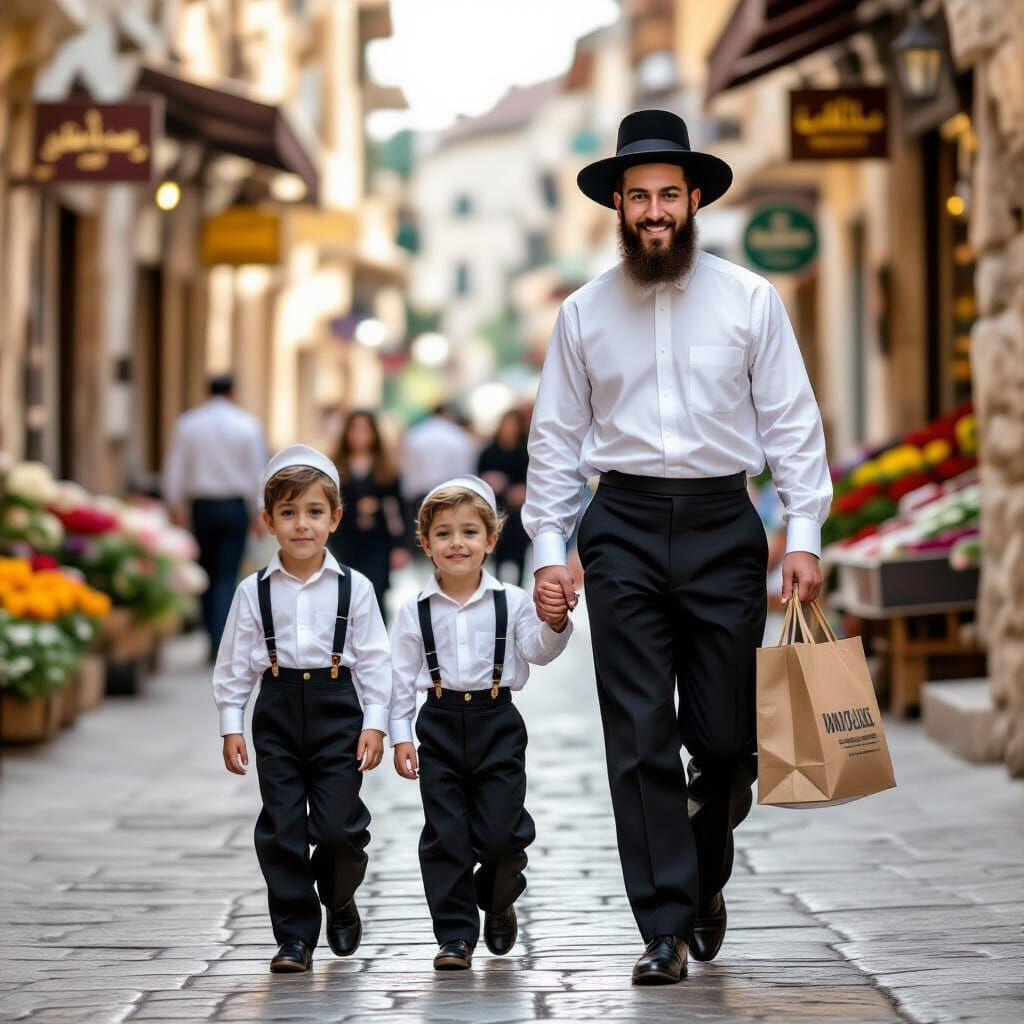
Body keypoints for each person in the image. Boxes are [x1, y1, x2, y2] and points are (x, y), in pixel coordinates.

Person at [522, 110, 832, 985]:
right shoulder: (582, 315)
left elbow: (792, 423)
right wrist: (551, 547)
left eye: (667, 194)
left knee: (730, 741)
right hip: (617, 525)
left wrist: (801, 530)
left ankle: (697, 872)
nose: (653, 210)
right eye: (637, 197)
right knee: (638, 735)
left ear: (694, 199)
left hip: (722, 525)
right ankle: (663, 923)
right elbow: (554, 439)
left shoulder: (750, 300)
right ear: (616, 208)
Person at [212, 445, 391, 974]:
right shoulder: (252, 592)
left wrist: (376, 724)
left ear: (335, 518)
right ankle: (294, 936)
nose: (301, 525)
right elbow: (233, 664)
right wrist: (231, 725)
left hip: (339, 713)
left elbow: (377, 664)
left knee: (338, 829)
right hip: (279, 714)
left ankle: (338, 896)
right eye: (288, 513)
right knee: (282, 828)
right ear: (268, 521)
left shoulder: (356, 589)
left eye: (314, 512)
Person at [388, 475, 571, 971]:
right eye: (444, 533)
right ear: (425, 544)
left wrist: (554, 624)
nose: (457, 543)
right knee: (445, 835)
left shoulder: (510, 602)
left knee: (500, 835)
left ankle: (498, 895)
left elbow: (536, 650)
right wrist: (401, 737)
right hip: (440, 723)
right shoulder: (414, 611)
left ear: (491, 540)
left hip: (497, 721)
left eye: (470, 532)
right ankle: (454, 936)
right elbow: (400, 681)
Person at [163, 374, 266, 661]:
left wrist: (175, 504)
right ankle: (220, 637)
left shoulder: (188, 424)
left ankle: (212, 633)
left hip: (202, 506)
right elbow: (257, 471)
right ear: (233, 392)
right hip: (234, 507)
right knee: (226, 574)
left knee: (205, 572)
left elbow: (176, 468)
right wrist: (260, 511)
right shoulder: (247, 425)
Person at [328, 409, 411, 614]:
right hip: (344, 539)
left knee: (375, 590)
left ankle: (377, 641)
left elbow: (399, 510)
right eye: (355, 430)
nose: (360, 436)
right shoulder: (335, 466)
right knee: (346, 594)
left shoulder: (386, 468)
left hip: (377, 541)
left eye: (365, 430)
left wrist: (401, 546)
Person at [477, 409, 531, 586]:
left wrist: (523, 490)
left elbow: (532, 480)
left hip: (519, 510)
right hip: (495, 508)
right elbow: (479, 476)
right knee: (497, 548)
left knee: (519, 551)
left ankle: (519, 588)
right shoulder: (489, 452)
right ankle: (498, 587)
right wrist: (489, 481)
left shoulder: (525, 452)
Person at [401, 405, 478, 515]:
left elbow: (409, 469)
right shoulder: (458, 435)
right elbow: (465, 469)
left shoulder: (415, 434)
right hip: (451, 495)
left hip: (420, 495)